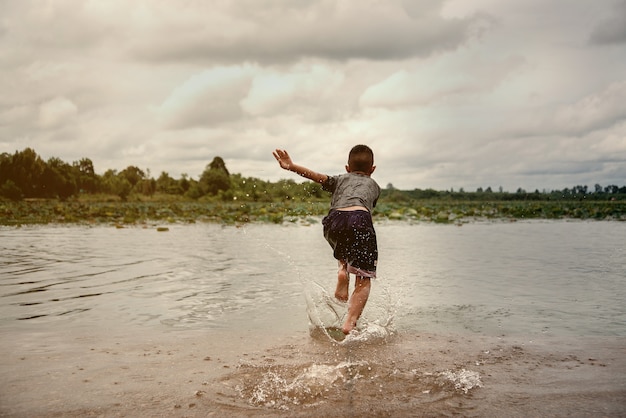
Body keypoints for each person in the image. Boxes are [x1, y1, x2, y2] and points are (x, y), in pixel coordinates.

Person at [272, 145, 380, 334]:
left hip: (334, 219)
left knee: (342, 243)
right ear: (372, 169)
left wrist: (291, 165)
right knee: (363, 278)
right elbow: (364, 210)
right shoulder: (375, 186)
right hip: (360, 219)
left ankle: (342, 269)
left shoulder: (340, 179)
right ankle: (350, 322)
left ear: (347, 168)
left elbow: (317, 176)